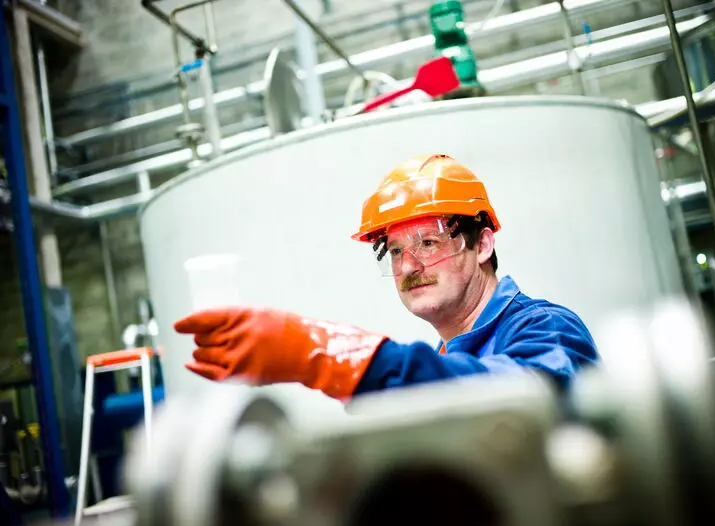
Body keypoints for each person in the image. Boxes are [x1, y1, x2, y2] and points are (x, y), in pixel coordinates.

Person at [174, 154, 599, 400]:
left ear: (483, 244)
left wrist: (337, 354)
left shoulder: (545, 327)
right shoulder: (447, 356)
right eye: (394, 252)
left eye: (428, 244)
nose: (409, 267)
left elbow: (525, 403)